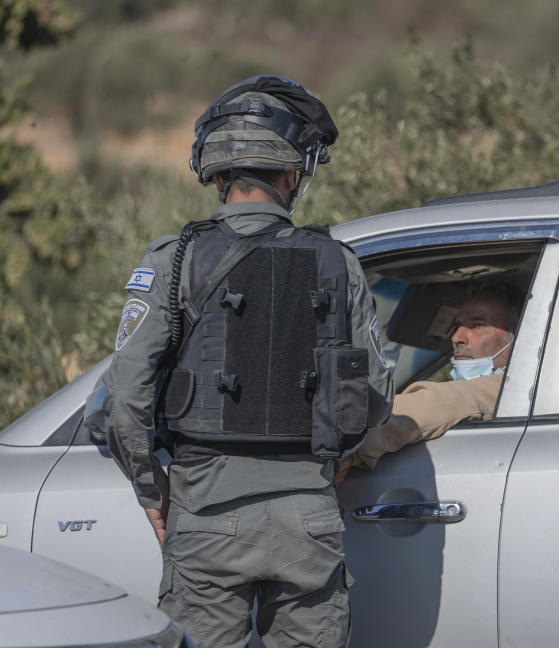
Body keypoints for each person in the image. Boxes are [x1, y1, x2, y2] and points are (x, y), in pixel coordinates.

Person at [102, 76, 393, 648]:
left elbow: (125, 400)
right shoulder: (339, 262)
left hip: (205, 513)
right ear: (291, 176)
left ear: (215, 175)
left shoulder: (173, 258)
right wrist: (332, 465)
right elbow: (375, 394)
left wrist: (152, 494)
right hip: (309, 520)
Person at [336, 282, 520, 482]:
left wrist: (345, 437)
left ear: (519, 337)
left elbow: (445, 401)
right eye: (458, 325)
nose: (457, 337)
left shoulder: (512, 388)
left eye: (478, 325)